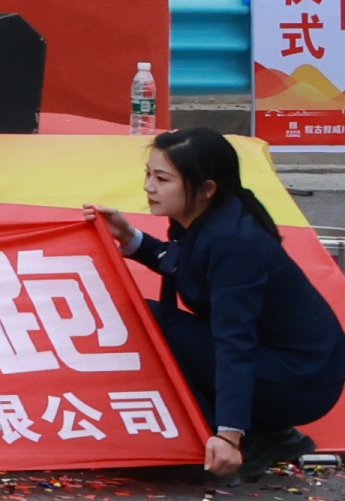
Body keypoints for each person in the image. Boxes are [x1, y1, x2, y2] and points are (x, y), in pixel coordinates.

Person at [120, 126, 344, 479]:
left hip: (300, 380)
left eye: (162, 179)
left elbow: (234, 342)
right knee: (147, 316)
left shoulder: (233, 241)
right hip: (280, 362)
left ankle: (221, 440)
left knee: (150, 322)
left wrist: (228, 435)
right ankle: (264, 433)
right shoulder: (208, 216)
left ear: (207, 188)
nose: (149, 187)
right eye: (148, 174)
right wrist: (129, 237)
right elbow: (182, 263)